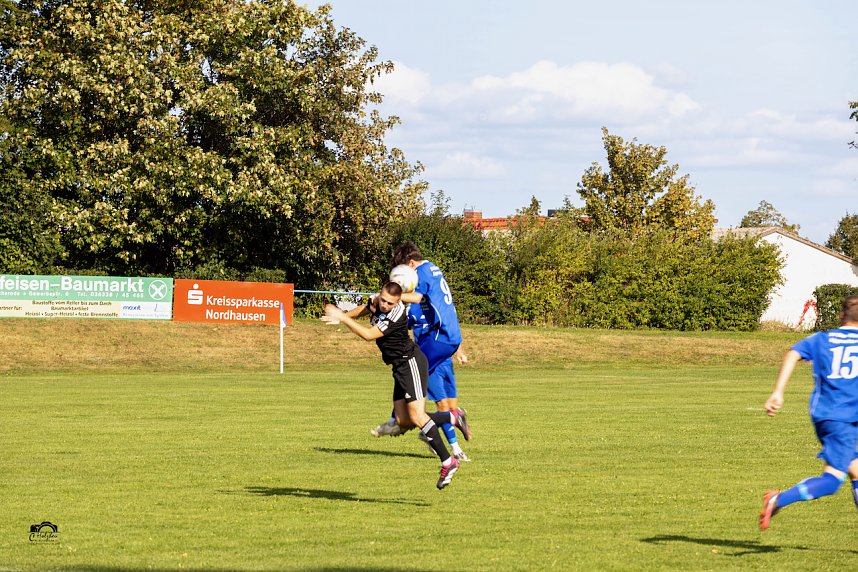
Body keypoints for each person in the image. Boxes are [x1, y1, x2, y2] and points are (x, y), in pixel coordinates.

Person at [321, 281, 470, 490]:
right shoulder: (377, 301)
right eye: (382, 299)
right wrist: (346, 316)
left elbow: (368, 335)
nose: (384, 305)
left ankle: (448, 461)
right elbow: (367, 307)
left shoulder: (397, 314)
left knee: (418, 416)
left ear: (398, 301)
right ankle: (453, 416)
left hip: (411, 364)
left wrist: (343, 318)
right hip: (399, 367)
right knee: (403, 421)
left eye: (390, 302)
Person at [759, 294, 858, 530]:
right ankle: (778, 499)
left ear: (841, 316)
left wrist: (778, 392)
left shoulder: (823, 339)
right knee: (831, 482)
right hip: (843, 421)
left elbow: (793, 352)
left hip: (827, 416)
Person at [371, 242, 469, 441]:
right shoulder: (432, 267)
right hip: (449, 336)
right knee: (411, 371)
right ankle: (413, 422)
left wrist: (389, 296)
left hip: (439, 336)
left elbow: (416, 297)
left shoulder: (422, 271)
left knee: (410, 367)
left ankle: (404, 421)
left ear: (411, 263)